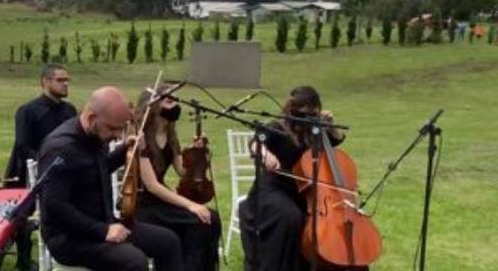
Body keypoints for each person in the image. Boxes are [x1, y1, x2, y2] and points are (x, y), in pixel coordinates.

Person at [37, 87, 183, 271]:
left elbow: (99, 169)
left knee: (168, 242)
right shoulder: (60, 148)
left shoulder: (96, 135)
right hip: (70, 237)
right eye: (113, 128)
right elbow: (55, 206)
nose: (116, 134)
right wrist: (103, 231)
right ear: (91, 118)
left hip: (102, 222)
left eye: (120, 129)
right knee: (134, 261)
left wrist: (126, 150)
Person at [239, 85, 346, 271]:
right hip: (273, 191)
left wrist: (330, 125)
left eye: (313, 111)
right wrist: (265, 154)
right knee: (291, 216)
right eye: (305, 111)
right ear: (293, 108)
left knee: (321, 223)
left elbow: (337, 140)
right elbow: (256, 142)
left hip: (304, 193)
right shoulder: (277, 126)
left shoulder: (313, 129)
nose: (309, 116)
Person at [133, 85, 221, 270]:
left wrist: (197, 153)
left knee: (211, 218)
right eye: (169, 101)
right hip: (143, 206)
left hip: (162, 204)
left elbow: (182, 171)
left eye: (176, 101)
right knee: (199, 221)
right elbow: (152, 186)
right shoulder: (140, 136)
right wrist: (190, 204)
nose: (175, 106)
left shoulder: (170, 134)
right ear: (154, 105)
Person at [4, 64, 77, 270]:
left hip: (65, 172)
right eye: (61, 80)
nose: (65, 84)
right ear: (46, 82)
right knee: (25, 219)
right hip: (30, 172)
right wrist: (46, 163)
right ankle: (24, 259)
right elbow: (22, 145)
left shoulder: (69, 110)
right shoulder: (27, 111)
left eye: (67, 80)